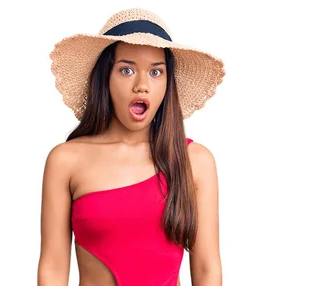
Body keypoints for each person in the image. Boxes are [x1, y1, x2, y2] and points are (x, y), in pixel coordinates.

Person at [37, 8, 225, 286]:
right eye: (126, 70)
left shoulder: (194, 161)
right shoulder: (67, 160)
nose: (142, 85)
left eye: (156, 72)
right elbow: (52, 269)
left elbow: (208, 269)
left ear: (167, 83)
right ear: (106, 78)